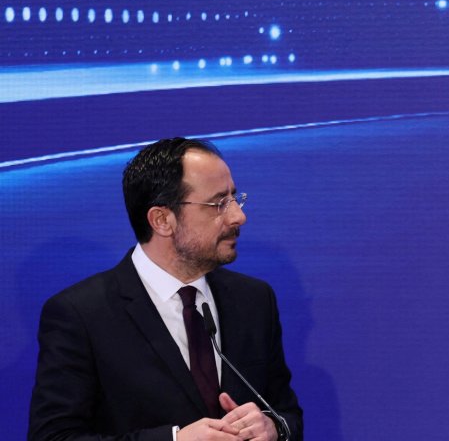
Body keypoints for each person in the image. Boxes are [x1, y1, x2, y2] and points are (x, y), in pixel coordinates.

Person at [29, 138, 303, 441]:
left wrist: (274, 428)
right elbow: (53, 437)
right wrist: (173, 440)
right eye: (219, 203)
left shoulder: (254, 300)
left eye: (235, 198)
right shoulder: (81, 314)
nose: (238, 216)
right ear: (162, 220)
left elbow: (286, 412)